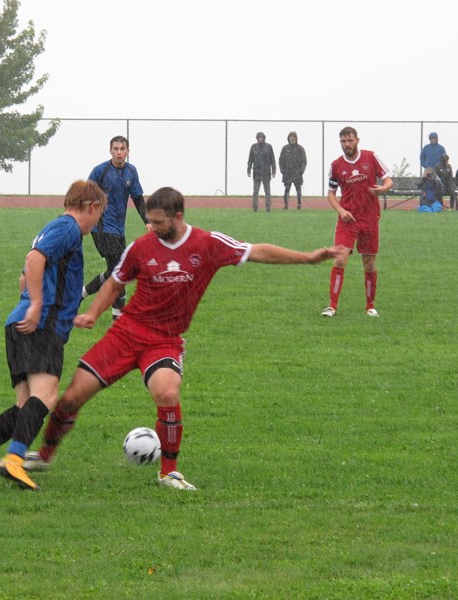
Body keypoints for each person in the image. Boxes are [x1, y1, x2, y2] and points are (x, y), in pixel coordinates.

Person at [22, 186, 344, 490]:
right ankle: (45, 455)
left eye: (158, 222)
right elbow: (115, 282)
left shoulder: (207, 244)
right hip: (126, 333)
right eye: (149, 221)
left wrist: (309, 257)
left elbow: (258, 251)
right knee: (72, 398)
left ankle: (169, 471)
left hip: (164, 340)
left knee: (168, 392)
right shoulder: (140, 247)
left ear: (178, 217)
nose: (151, 227)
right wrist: (94, 313)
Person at [0, 180, 108, 491]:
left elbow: (24, 278)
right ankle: (14, 459)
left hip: (21, 323)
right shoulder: (67, 228)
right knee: (46, 396)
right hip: (41, 326)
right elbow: (33, 261)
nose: (97, 222)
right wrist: (40, 305)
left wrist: (43, 305)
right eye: (99, 215)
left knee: (25, 404)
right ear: (91, 207)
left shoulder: (53, 228)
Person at [321, 126, 393, 319]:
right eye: (343, 141)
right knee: (340, 258)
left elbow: (389, 181)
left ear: (357, 140)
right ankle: (332, 306)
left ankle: (370, 306)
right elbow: (331, 193)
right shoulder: (336, 165)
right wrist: (341, 210)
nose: (347, 144)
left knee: (369, 263)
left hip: (369, 219)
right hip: (348, 220)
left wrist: (383, 188)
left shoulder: (371, 157)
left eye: (350, 140)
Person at [83, 135, 148, 321]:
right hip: (101, 228)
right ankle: (117, 317)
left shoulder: (131, 171)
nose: (119, 152)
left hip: (119, 230)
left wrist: (148, 221)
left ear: (128, 152)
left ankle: (83, 293)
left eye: (122, 149)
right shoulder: (100, 171)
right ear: (110, 151)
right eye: (116, 149)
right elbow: (85, 195)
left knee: (115, 270)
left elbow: (137, 199)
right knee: (120, 270)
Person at [247, 132, 276, 212]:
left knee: (267, 192)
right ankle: (255, 209)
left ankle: (268, 208)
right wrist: (248, 169)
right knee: (255, 192)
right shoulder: (253, 147)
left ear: (264, 138)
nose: (260, 138)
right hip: (257, 172)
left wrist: (274, 170)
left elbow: (272, 160)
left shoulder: (269, 147)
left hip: (266, 172)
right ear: (257, 138)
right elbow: (250, 160)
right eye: (259, 137)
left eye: (261, 137)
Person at [278, 131, 307, 210]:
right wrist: (282, 170)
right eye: (290, 137)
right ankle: (286, 205)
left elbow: (304, 161)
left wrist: (301, 171)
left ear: (296, 138)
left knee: (298, 189)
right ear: (288, 138)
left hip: (297, 173)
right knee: (287, 189)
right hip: (287, 173)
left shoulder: (300, 149)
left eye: (293, 137)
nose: (292, 138)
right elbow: (281, 160)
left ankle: (299, 205)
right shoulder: (285, 148)